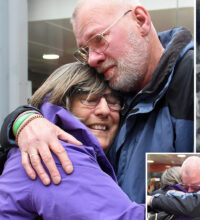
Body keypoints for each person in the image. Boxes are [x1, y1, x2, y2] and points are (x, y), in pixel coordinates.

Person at [0, 0, 194, 204]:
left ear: (140, 20)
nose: (92, 59)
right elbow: (55, 97)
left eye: (99, 39)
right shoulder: (122, 83)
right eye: (85, 50)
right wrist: (23, 120)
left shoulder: (191, 81)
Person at [0, 62, 144, 219]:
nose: (104, 110)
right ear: (62, 102)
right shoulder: (55, 153)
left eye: (113, 101)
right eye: (89, 98)